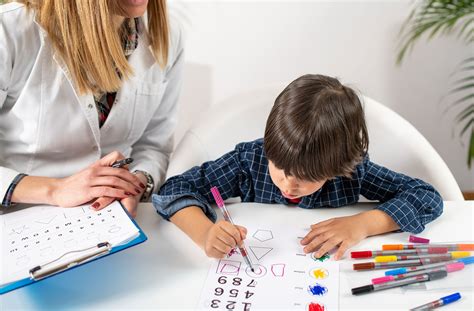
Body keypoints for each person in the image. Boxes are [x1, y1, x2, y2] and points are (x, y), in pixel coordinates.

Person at [153, 74, 443, 260]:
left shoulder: (353, 173)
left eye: (306, 178)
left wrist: (363, 224)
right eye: (279, 167)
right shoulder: (249, 161)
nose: (289, 184)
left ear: (336, 168)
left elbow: (426, 196)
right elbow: (173, 190)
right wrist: (205, 233)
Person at [0, 0, 183, 217]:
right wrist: (55, 190)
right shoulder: (9, 30)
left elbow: (154, 147)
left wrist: (136, 183)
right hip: (19, 218)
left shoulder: (167, 36)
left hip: (114, 219)